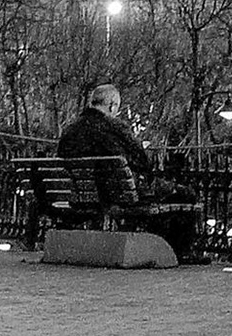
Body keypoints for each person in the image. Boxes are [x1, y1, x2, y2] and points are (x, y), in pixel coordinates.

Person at [55, 83, 199, 259]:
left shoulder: (70, 130)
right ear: (112, 105)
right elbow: (142, 162)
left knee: (160, 193)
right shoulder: (114, 128)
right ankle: (179, 253)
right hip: (120, 193)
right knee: (185, 194)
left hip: (80, 197)